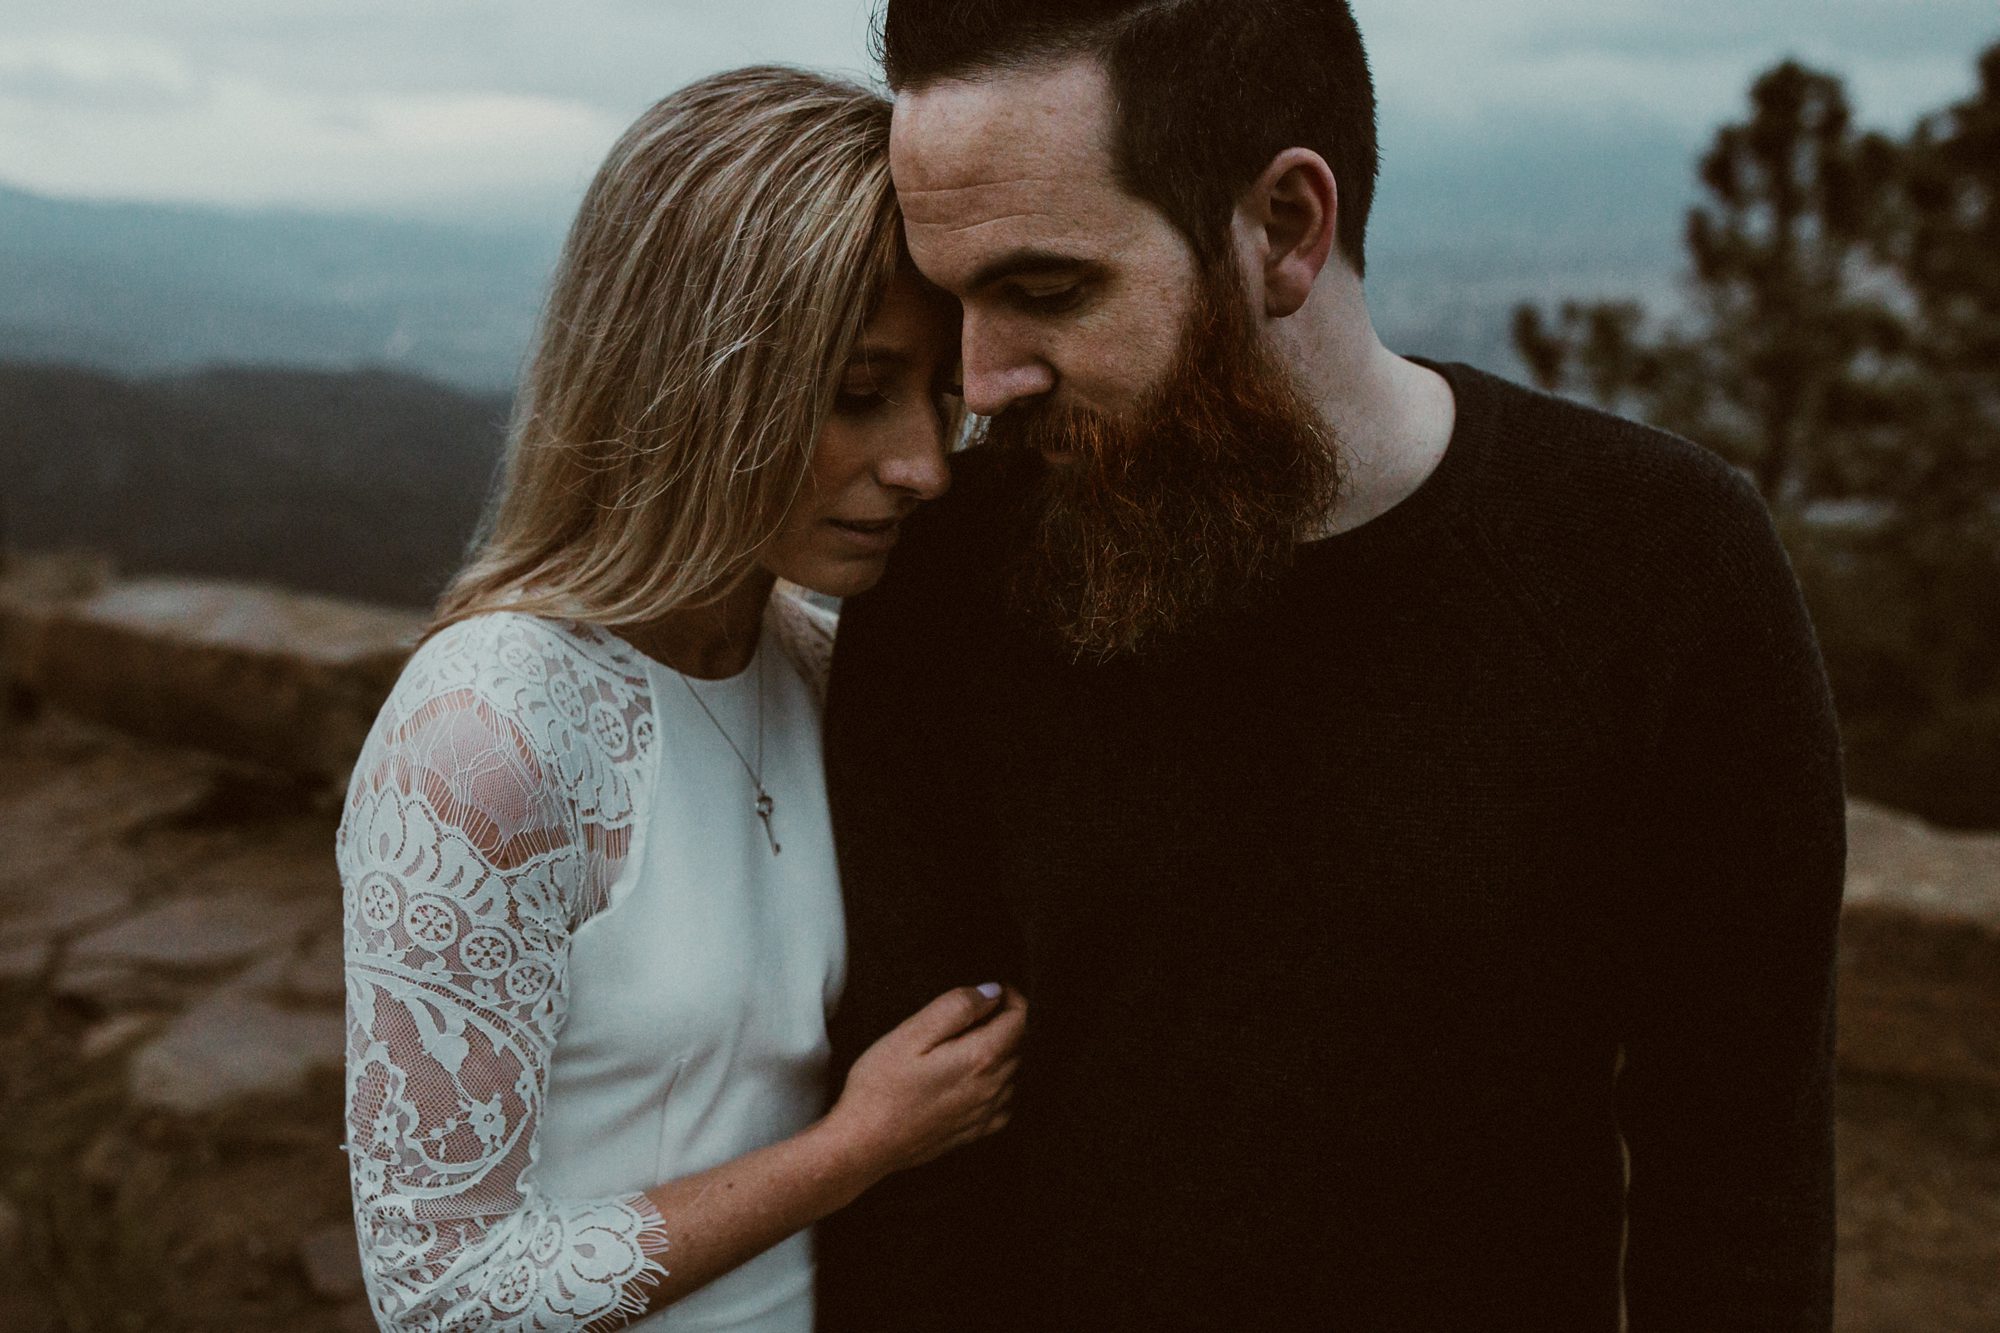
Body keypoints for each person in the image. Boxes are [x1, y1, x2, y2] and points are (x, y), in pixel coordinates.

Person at [816, 3, 1847, 1330]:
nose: (983, 380)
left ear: (1287, 227)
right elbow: (914, 1192)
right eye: (954, 296)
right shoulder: (948, 582)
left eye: (1047, 291)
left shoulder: (1656, 560)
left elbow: (1741, 1180)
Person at [336, 66, 1024, 1333]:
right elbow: (441, 1295)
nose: (924, 466)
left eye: (939, 394)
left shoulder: (816, 659)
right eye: (856, 394)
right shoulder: (486, 740)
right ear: (692, 385)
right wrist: (857, 1147)